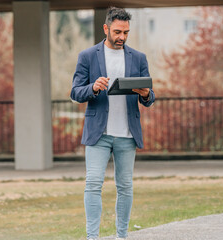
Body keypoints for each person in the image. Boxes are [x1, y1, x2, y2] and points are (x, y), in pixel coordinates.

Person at [71, 7, 155, 240]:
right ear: (106, 28)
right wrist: (93, 87)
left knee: (125, 187)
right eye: (117, 32)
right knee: (93, 184)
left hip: (127, 134)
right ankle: (92, 237)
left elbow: (150, 98)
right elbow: (75, 92)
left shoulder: (138, 58)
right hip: (98, 134)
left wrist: (146, 93)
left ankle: (121, 236)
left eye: (126, 32)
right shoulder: (87, 56)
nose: (122, 37)